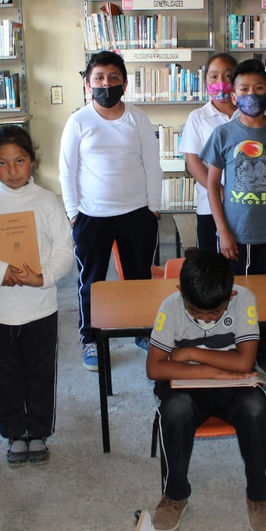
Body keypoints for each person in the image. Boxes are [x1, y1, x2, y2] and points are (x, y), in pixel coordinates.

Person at [145, 249, 266, 531]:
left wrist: (192, 353)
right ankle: (175, 495)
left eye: (214, 313)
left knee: (257, 408)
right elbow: (155, 368)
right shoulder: (171, 306)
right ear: (181, 292)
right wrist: (213, 371)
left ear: (230, 295)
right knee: (175, 410)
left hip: (232, 386)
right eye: (195, 312)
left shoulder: (243, 300)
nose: (205, 319)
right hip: (188, 387)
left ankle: (259, 496)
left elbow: (244, 362)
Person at [0, 125, 74, 465]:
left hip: (40, 308)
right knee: (5, 376)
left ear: (32, 161)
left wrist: (44, 277)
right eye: (2, 163)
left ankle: (38, 433)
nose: (12, 171)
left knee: (40, 375)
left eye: (19, 161)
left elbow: (64, 249)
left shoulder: (46, 201)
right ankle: (14, 435)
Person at [59, 51, 162, 371]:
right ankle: (90, 338)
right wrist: (73, 213)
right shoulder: (78, 121)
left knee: (139, 279)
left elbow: (152, 165)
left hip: (137, 214)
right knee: (92, 282)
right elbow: (67, 171)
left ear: (125, 84)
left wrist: (154, 209)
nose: (106, 84)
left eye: (113, 78)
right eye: (99, 78)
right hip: (91, 216)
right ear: (88, 84)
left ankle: (143, 332)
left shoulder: (138, 119)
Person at [202, 59, 266, 280]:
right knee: (235, 292)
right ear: (234, 97)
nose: (252, 94)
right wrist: (223, 232)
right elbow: (212, 185)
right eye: (244, 89)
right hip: (235, 236)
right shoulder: (222, 135)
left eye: (259, 88)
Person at [178, 52, 239, 251]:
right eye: (213, 76)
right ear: (205, 81)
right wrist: (220, 192)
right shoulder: (198, 117)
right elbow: (193, 162)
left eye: (228, 75)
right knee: (212, 263)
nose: (220, 82)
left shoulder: (248, 114)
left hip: (246, 206)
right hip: (210, 206)